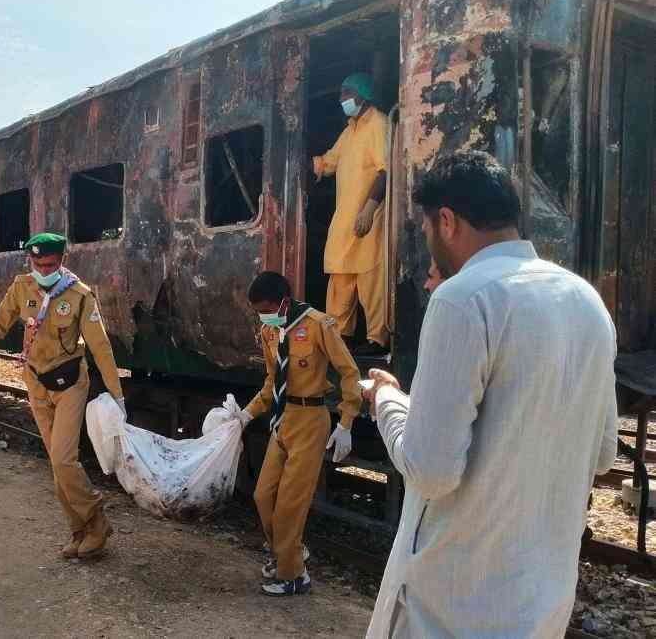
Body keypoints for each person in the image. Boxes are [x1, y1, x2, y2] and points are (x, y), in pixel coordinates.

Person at [362, 151, 619, 638]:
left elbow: (432, 470)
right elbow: (602, 453)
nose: (429, 242)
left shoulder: (463, 297)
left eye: (427, 230)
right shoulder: (587, 301)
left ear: (447, 220)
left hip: (452, 607)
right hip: (539, 606)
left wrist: (388, 403)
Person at [0, 232, 125, 560]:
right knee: (58, 467)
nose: (44, 270)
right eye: (39, 264)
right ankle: (78, 531)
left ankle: (97, 522)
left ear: (62, 262)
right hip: (37, 383)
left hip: (71, 383)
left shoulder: (79, 295)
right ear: (30, 261)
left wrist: (117, 395)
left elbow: (100, 346)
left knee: (63, 459)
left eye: (51, 264)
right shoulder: (21, 288)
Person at [233, 271, 361, 596]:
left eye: (265, 309)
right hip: (282, 418)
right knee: (263, 495)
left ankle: (292, 576)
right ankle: (287, 552)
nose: (262, 316)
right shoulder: (270, 332)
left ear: (283, 302)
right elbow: (271, 381)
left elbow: (349, 372)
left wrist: (346, 422)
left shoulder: (319, 324)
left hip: (311, 419)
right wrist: (246, 414)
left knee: (290, 504)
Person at [312, 72, 389, 356]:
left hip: (368, 216)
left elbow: (385, 170)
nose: (341, 98)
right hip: (344, 219)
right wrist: (311, 163)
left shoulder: (379, 124)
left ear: (362, 95)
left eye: (346, 93)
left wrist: (369, 208)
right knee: (341, 280)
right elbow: (329, 162)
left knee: (370, 279)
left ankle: (376, 339)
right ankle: (339, 337)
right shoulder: (350, 129)